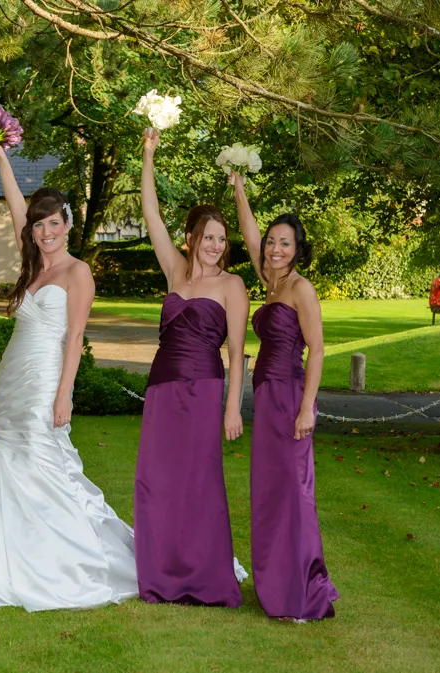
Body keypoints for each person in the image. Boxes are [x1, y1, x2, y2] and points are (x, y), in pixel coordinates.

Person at [0, 137, 137, 611]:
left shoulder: (79, 273)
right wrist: (1, 160)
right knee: (8, 456)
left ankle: (61, 559)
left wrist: (65, 396)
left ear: (68, 225)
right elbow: (17, 208)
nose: (45, 232)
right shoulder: (34, 265)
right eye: (39, 226)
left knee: (43, 460)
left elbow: (74, 340)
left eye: (53, 224)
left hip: (46, 381)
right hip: (12, 378)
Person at [134, 128, 249, 607]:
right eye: (209, 237)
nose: (216, 246)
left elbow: (237, 352)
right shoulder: (174, 270)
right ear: (192, 238)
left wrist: (232, 409)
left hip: (204, 390)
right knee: (157, 481)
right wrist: (148, 156)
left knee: (199, 483)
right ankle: (161, 575)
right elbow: (150, 212)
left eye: (223, 239)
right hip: (162, 387)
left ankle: (202, 577)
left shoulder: (233, 286)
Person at [232, 170, 339, 621]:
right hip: (267, 399)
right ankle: (274, 584)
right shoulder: (271, 281)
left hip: (292, 398)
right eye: (272, 242)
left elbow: (317, 350)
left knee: (295, 494)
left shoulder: (300, 288)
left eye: (284, 244)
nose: (274, 249)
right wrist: (239, 187)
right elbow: (248, 230)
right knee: (270, 492)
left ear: (299, 251)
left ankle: (301, 591)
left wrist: (307, 409)